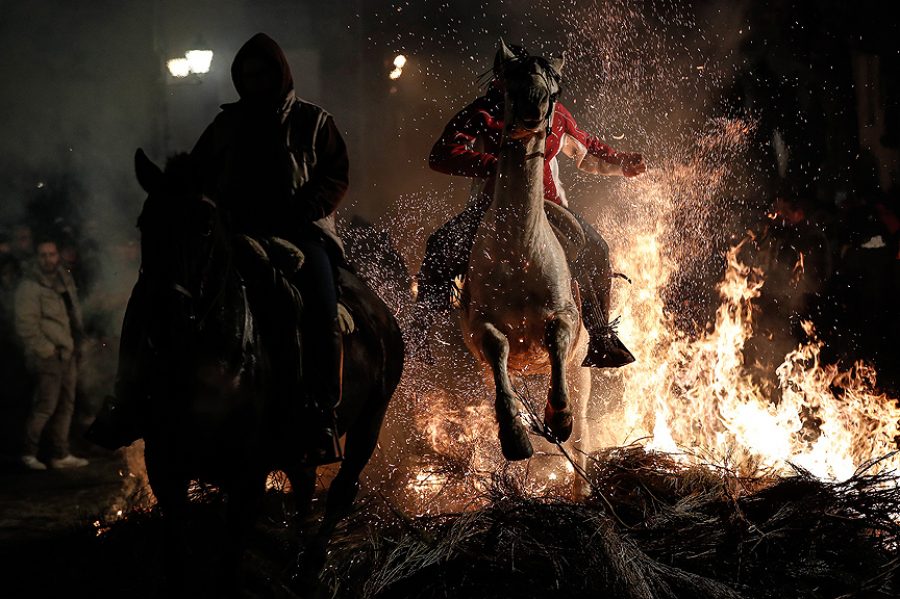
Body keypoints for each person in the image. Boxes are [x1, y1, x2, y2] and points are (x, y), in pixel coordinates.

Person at [88, 33, 348, 464]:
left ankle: (321, 413)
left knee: (321, 306)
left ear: (279, 74)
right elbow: (195, 174)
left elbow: (335, 176)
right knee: (152, 294)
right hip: (234, 232)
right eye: (246, 75)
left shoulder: (314, 122)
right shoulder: (226, 126)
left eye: (262, 73)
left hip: (301, 232)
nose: (254, 82)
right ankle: (127, 400)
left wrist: (300, 210)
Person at [412, 44, 646, 368]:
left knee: (596, 249)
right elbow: (441, 154)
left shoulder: (554, 112)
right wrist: (494, 165)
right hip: (491, 207)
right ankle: (421, 331)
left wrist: (621, 163)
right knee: (440, 245)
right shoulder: (483, 112)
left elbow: (586, 150)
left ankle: (600, 337)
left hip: (549, 207)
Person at [14, 238, 88, 470]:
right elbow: (26, 325)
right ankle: (28, 453)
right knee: (45, 406)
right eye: (44, 255)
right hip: (49, 355)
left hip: (67, 352)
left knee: (66, 404)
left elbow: (72, 313)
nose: (49, 259)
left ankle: (60, 454)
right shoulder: (30, 286)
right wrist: (46, 351)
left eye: (52, 254)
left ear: (58, 256)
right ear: (37, 258)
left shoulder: (63, 279)